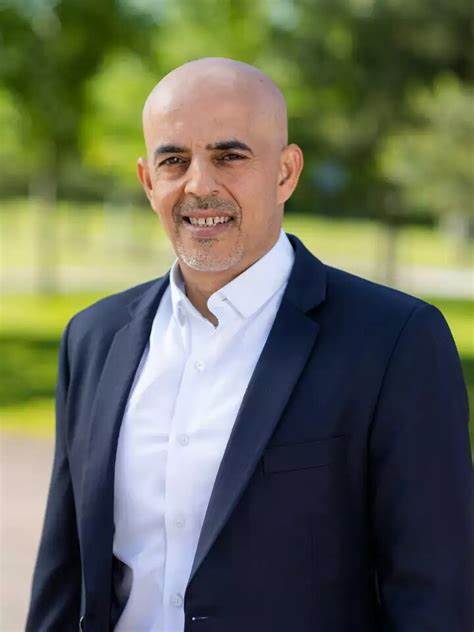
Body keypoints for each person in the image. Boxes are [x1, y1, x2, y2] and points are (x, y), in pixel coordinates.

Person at [26, 57, 473, 632]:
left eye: (229, 156)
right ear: (147, 181)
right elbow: (63, 579)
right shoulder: (92, 338)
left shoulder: (395, 341)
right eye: (173, 160)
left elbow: (435, 596)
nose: (199, 185)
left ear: (286, 172)